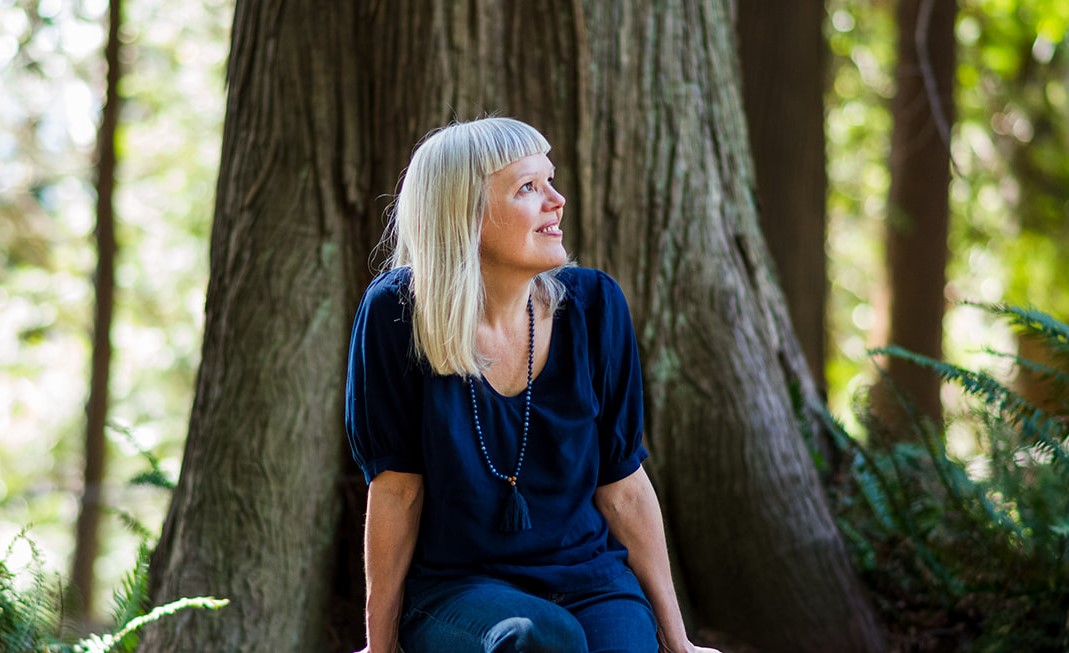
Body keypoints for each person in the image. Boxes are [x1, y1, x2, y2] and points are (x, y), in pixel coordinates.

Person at [345, 117, 720, 653]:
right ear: (467, 215)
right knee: (542, 638)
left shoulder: (594, 307)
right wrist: (378, 647)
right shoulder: (398, 314)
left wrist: (679, 641)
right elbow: (397, 490)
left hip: (591, 582)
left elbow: (624, 486)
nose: (557, 200)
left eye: (551, 180)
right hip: (460, 592)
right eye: (528, 187)